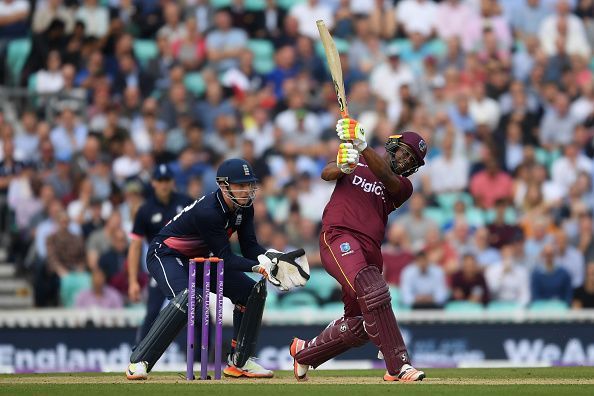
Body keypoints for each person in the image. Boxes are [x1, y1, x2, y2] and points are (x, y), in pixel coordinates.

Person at [126, 158, 308, 380]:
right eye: (240, 185)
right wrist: (259, 267)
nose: (246, 190)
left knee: (251, 292)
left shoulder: (245, 207)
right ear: (223, 186)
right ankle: (139, 361)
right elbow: (226, 258)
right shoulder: (209, 212)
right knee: (189, 298)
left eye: (249, 184)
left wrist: (271, 258)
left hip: (202, 258)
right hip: (166, 254)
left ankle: (240, 361)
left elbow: (249, 246)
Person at [290, 117, 427, 382]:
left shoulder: (403, 186)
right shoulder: (358, 158)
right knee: (373, 290)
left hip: (370, 249)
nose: (407, 160)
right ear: (392, 145)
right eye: (405, 152)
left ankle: (304, 353)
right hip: (339, 236)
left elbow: (386, 177)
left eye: (413, 160)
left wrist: (362, 146)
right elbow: (326, 173)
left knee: (359, 325)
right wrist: (343, 164)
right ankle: (399, 365)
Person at [127, 164, 193, 342]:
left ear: (172, 182)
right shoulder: (145, 210)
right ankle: (139, 357)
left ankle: (201, 360)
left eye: (167, 180)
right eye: (160, 181)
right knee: (153, 312)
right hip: (159, 267)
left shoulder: (186, 202)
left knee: (199, 311)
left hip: (186, 265)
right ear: (153, 182)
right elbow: (135, 246)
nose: (164, 185)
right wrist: (133, 281)